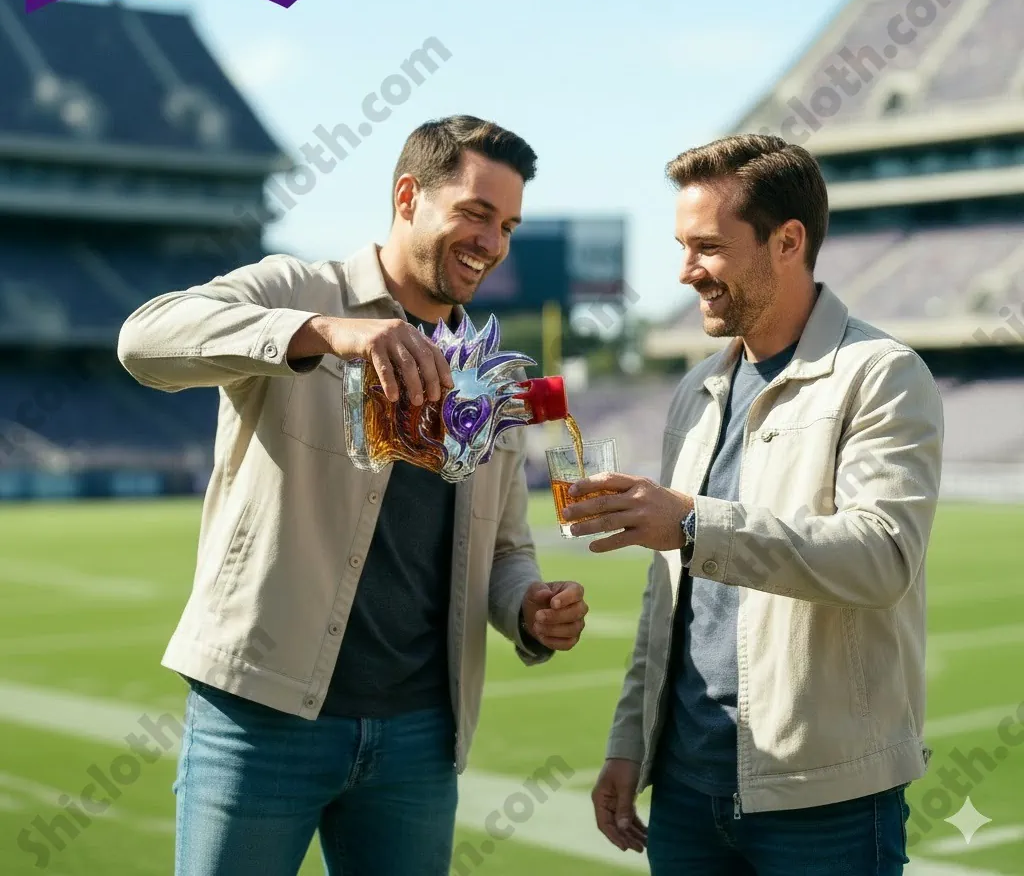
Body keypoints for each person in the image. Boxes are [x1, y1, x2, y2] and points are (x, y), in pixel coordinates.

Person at [117, 115, 590, 876]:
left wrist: (528, 607)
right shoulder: (301, 289)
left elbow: (505, 547)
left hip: (419, 738)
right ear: (408, 196)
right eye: (474, 213)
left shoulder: (497, 373)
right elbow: (143, 340)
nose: (491, 242)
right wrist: (325, 333)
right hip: (262, 715)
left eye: (506, 224)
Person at [567, 134, 943, 874]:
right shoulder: (695, 390)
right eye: (681, 246)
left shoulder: (883, 375)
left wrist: (694, 523)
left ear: (788, 242)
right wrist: (627, 744)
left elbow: (883, 557)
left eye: (706, 247)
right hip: (684, 788)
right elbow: (667, 598)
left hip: (826, 803)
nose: (685, 272)